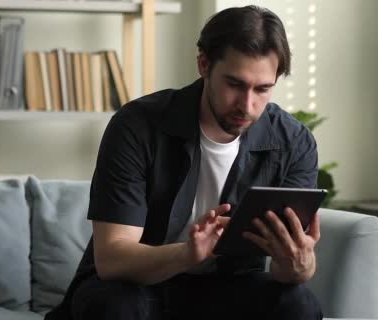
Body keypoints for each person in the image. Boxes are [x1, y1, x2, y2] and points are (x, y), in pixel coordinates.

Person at [45, 5, 322, 320]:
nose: (247, 105)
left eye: (262, 89)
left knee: (299, 305)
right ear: (204, 64)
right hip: (136, 285)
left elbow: (287, 273)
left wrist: (299, 263)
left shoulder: (293, 143)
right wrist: (187, 254)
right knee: (115, 307)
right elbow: (112, 260)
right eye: (234, 84)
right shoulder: (138, 125)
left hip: (228, 287)